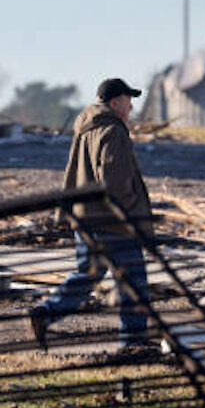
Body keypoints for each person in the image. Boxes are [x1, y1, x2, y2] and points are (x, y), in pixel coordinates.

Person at [29, 78, 155, 351]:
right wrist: (129, 213)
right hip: (113, 221)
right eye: (128, 101)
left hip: (85, 217)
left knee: (87, 274)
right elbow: (114, 180)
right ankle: (134, 341)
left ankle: (46, 312)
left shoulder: (86, 129)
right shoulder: (113, 131)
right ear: (114, 103)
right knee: (133, 279)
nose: (131, 107)